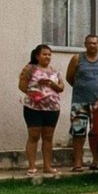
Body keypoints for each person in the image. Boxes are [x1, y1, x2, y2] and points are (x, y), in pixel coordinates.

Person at [18, 44, 65, 176]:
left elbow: (61, 87)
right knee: (34, 136)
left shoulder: (55, 72)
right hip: (33, 108)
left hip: (52, 109)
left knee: (48, 137)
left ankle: (47, 166)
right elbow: (22, 85)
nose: (47, 57)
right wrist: (34, 93)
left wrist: (52, 84)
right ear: (37, 56)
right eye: (44, 54)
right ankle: (32, 166)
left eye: (49, 54)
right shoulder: (30, 69)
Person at [66, 34, 98, 172]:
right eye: (90, 43)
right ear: (85, 44)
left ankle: (96, 161)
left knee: (96, 133)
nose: (92, 45)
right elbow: (69, 77)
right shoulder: (77, 59)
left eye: (95, 43)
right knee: (78, 133)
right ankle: (77, 163)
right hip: (79, 102)